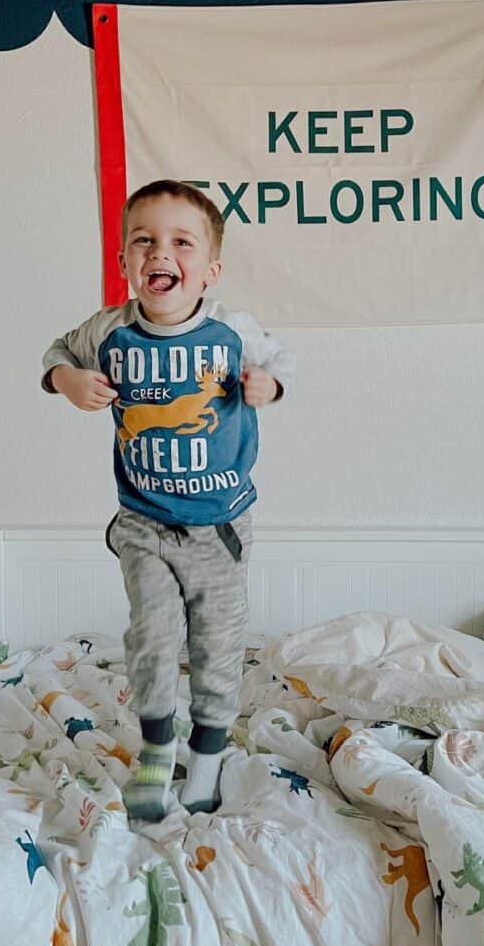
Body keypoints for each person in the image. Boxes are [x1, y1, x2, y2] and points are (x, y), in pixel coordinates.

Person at [41, 179, 295, 821]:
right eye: (144, 240)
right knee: (152, 635)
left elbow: (282, 362)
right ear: (126, 261)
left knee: (217, 645)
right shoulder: (109, 331)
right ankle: (158, 746)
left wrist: (270, 385)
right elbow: (56, 354)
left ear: (209, 269)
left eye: (181, 242)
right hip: (144, 523)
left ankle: (206, 762)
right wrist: (67, 379)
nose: (162, 252)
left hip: (220, 527)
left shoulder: (234, 330)